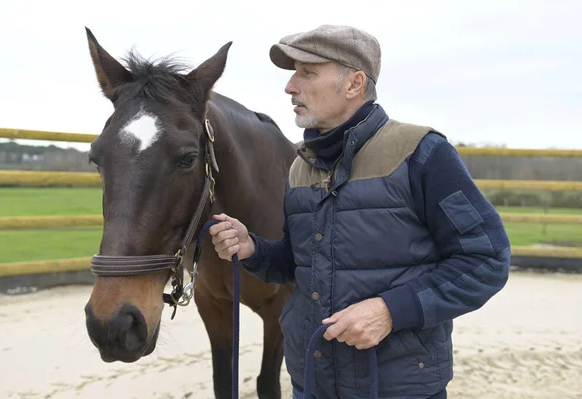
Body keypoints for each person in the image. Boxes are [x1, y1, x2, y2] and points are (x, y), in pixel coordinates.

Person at [209, 24, 511, 399]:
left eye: (307, 72)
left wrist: (390, 310)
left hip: (398, 387)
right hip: (311, 382)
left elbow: (487, 258)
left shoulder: (423, 154)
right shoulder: (300, 168)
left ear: (353, 84)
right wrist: (253, 249)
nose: (290, 87)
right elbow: (297, 264)